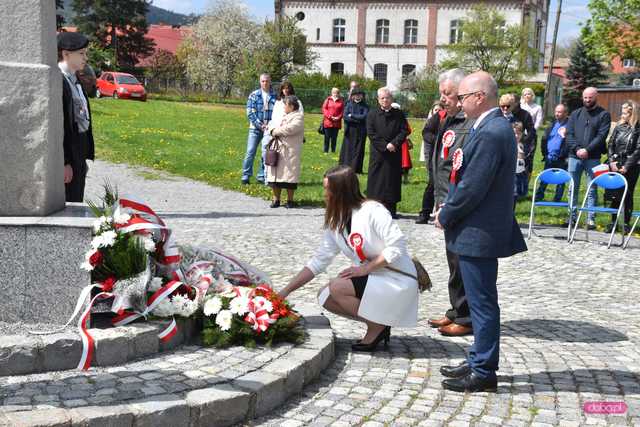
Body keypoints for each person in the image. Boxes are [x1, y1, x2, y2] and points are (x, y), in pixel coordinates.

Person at [435, 71, 527, 393]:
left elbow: (473, 184)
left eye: (462, 97)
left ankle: (485, 370)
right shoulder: (489, 126)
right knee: (477, 303)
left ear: (479, 97)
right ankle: (477, 359)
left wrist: (447, 212)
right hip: (477, 228)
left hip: (479, 231)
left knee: (482, 304)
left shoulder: (490, 131)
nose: (458, 102)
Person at [278, 165, 418, 352]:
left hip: (396, 278)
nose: (324, 194)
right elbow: (318, 261)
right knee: (325, 296)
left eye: (327, 189)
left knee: (336, 287)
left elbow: (397, 246)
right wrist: (285, 292)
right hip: (374, 279)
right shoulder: (336, 220)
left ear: (341, 192)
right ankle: (379, 322)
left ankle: (377, 327)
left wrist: (365, 269)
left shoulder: (373, 211)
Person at [427, 69, 475, 337]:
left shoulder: (467, 123)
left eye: (447, 93)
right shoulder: (450, 120)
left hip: (457, 203)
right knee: (453, 261)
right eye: (441, 93)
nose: (442, 98)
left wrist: (449, 203)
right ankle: (456, 311)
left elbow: (462, 170)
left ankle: (466, 317)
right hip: (446, 199)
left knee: (460, 263)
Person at [566, 87, 612, 228]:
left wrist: (587, 149)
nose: (587, 100)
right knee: (572, 188)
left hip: (593, 157)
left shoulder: (604, 115)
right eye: (585, 97)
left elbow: (601, 136)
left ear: (596, 97)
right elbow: (569, 134)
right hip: (574, 156)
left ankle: (590, 218)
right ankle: (571, 217)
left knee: (592, 189)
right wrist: (578, 149)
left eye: (590, 97)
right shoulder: (575, 114)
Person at [58, 31, 95, 202]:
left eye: (85, 53)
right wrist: (65, 162)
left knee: (77, 198)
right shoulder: (59, 81)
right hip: (69, 153)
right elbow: (60, 125)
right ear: (66, 54)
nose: (85, 58)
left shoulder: (75, 80)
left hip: (79, 152)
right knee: (69, 202)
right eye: (81, 53)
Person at [366, 87, 409, 218]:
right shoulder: (372, 114)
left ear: (392, 99)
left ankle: (391, 210)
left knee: (392, 180)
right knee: (376, 181)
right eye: (382, 98)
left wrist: (394, 144)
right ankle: (374, 207)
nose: (385, 100)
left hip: (394, 153)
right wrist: (385, 146)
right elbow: (371, 133)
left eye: (387, 97)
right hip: (378, 153)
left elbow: (404, 130)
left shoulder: (399, 114)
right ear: (378, 100)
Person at [605, 100, 640, 232]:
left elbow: (638, 149)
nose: (622, 115)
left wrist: (626, 166)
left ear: (632, 114)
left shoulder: (638, 129)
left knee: (627, 194)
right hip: (616, 163)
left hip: (631, 166)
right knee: (615, 194)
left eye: (625, 113)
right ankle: (612, 221)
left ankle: (625, 222)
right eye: (622, 112)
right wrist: (611, 162)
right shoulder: (619, 127)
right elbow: (610, 145)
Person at [267, 96, 305, 209]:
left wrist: (275, 131)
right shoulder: (284, 115)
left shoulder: (298, 117)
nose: (284, 107)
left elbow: (290, 129)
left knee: (289, 176)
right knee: (274, 175)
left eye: (286, 104)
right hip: (278, 149)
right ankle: (276, 199)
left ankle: (290, 200)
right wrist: (272, 129)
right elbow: (272, 124)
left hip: (290, 151)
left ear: (292, 106)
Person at [242, 73, 276, 185]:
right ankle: (246, 175)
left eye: (266, 81)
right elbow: (250, 112)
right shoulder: (254, 95)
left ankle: (261, 175)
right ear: (260, 82)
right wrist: (260, 125)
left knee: (265, 153)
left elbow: (277, 113)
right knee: (250, 152)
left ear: (270, 81)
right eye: (263, 81)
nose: (265, 83)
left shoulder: (275, 96)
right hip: (255, 129)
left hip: (269, 130)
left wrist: (269, 127)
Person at [416, 101, 445, 224]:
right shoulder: (439, 116)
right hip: (436, 156)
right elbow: (426, 132)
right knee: (432, 184)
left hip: (452, 158)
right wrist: (439, 140)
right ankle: (425, 213)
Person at [535, 104, 570, 202]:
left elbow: (570, 142)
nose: (557, 114)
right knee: (545, 177)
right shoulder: (552, 124)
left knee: (561, 179)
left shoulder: (570, 125)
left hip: (562, 157)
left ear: (566, 113)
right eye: (556, 112)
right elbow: (544, 138)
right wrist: (544, 153)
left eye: (559, 112)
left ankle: (557, 199)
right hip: (549, 156)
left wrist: (566, 155)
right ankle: (539, 196)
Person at [339, 88, 369, 174]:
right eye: (356, 94)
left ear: (362, 96)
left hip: (361, 131)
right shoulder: (349, 105)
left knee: (359, 150)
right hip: (350, 131)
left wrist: (352, 115)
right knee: (348, 149)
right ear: (353, 96)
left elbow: (364, 117)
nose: (358, 96)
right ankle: (346, 167)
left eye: (360, 94)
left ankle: (356, 169)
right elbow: (345, 116)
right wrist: (356, 119)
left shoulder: (365, 106)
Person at [322, 88, 345, 153]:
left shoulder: (341, 101)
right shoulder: (328, 100)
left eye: (337, 92)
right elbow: (324, 108)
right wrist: (329, 116)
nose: (335, 94)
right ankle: (325, 151)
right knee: (327, 137)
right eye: (334, 92)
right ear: (331, 93)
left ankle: (333, 151)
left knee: (334, 138)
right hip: (328, 122)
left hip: (336, 122)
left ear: (338, 93)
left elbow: (342, 111)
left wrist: (338, 117)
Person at [513, 122, 528, 207]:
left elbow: (522, 159)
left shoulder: (521, 145)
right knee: (512, 195)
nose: (516, 136)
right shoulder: (509, 145)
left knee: (517, 194)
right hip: (511, 174)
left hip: (520, 173)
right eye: (514, 133)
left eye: (518, 134)